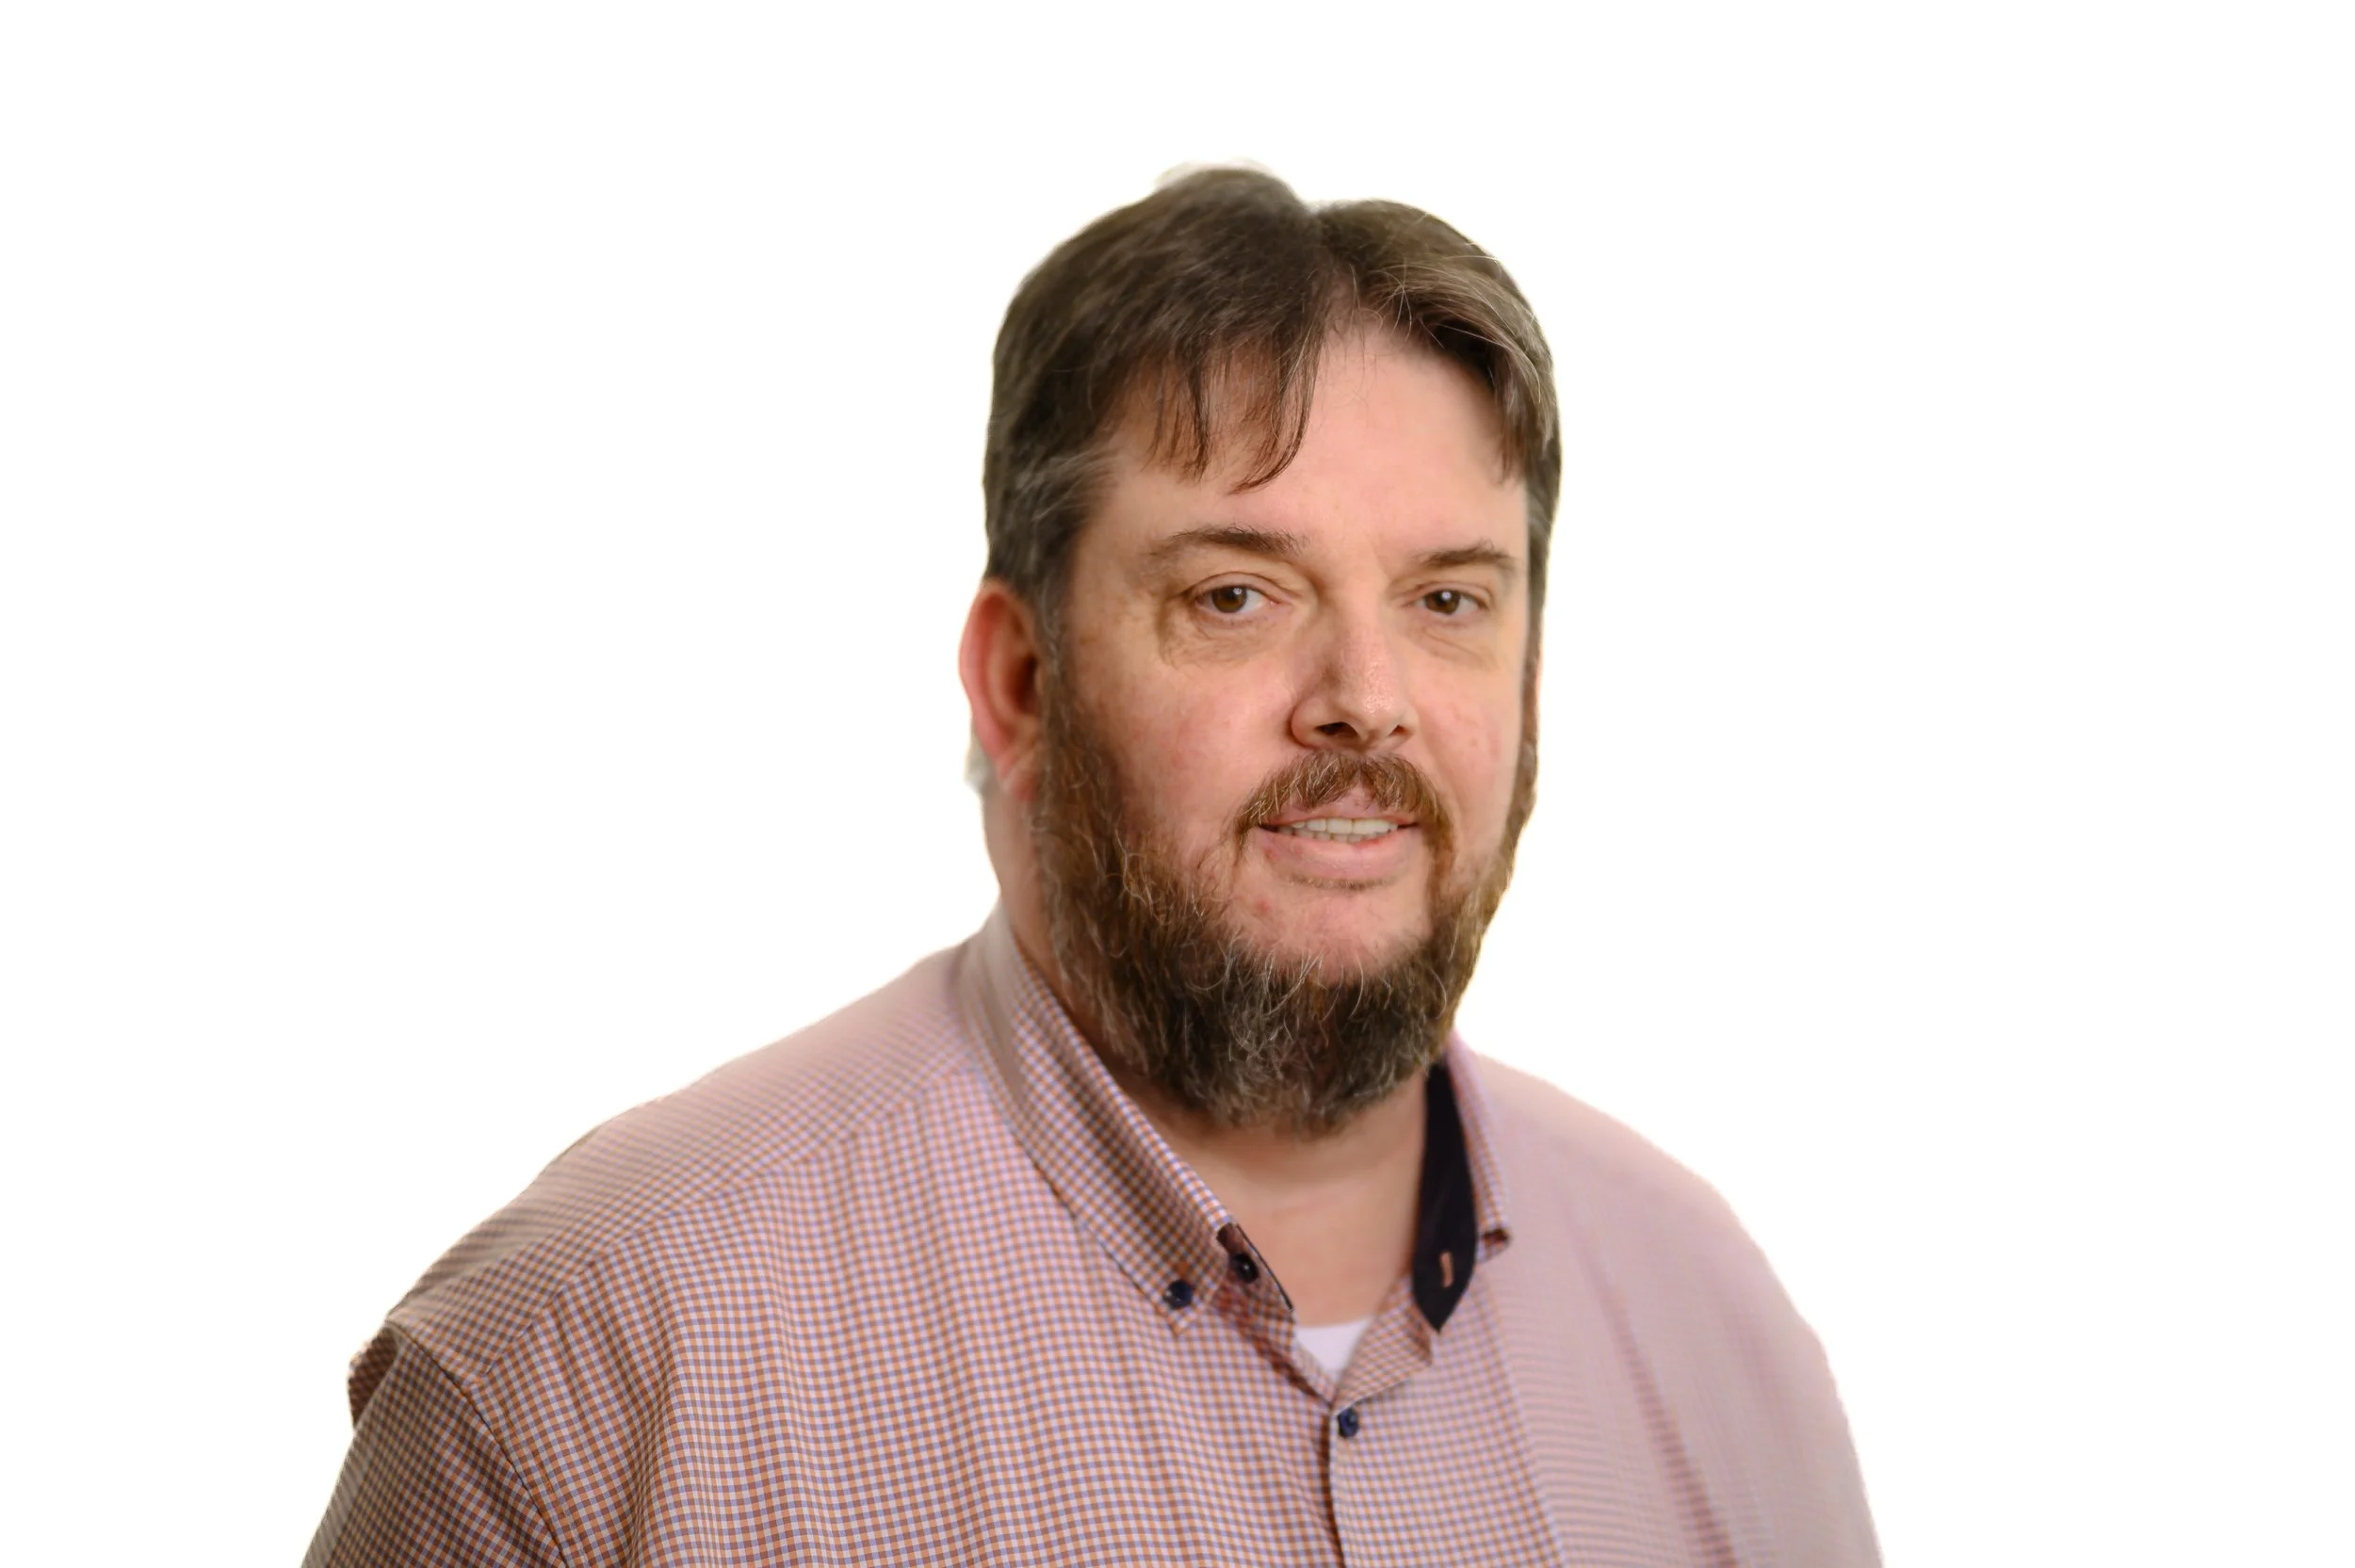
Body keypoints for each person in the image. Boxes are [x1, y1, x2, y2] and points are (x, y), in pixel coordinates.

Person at [306, 168, 1880, 1566]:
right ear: (1023, 684)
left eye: (1450, 601)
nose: (1369, 695)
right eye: (1236, 596)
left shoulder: (1713, 1328)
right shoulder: (586, 1371)